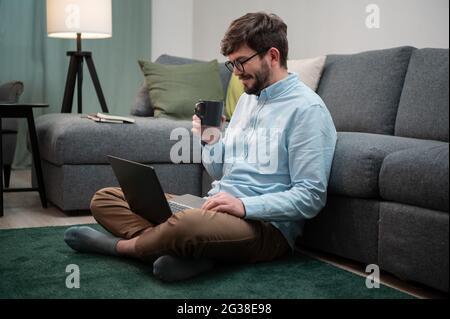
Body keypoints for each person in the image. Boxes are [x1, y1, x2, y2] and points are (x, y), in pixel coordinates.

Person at [64, 12, 337, 282]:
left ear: (273, 56)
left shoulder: (307, 110)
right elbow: (219, 172)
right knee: (106, 198)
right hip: (213, 208)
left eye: (241, 62)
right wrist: (211, 138)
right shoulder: (247, 101)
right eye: (232, 64)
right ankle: (195, 253)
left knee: (189, 224)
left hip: (265, 229)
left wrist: (243, 206)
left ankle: (122, 248)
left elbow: (310, 197)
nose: (237, 73)